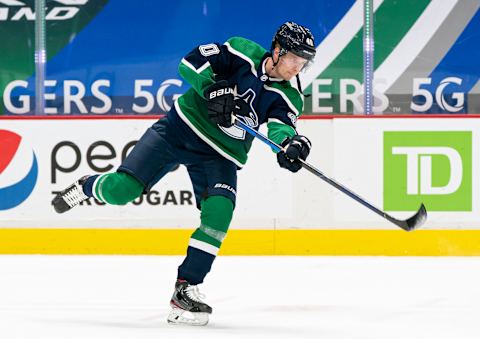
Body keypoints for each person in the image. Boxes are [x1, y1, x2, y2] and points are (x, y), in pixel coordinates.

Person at [52, 21, 316, 326]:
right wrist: (210, 89)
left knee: (219, 214)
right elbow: (189, 63)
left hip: (220, 155)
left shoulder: (290, 95)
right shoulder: (241, 51)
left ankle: (186, 288)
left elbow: (281, 127)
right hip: (178, 130)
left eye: (303, 61)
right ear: (277, 50)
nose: (298, 66)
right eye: (294, 58)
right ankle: (88, 186)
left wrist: (290, 145)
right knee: (120, 191)